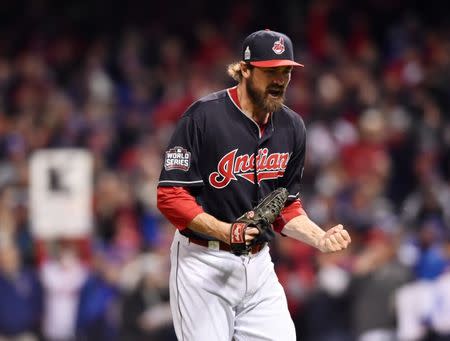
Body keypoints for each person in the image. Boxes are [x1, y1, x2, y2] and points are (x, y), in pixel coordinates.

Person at [157, 29, 351, 341]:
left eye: (286, 71)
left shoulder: (292, 126)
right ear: (244, 70)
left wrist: (319, 238)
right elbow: (171, 197)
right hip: (203, 264)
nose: (280, 80)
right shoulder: (203, 117)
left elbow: (285, 205)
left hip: (258, 264)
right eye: (270, 71)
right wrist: (226, 231)